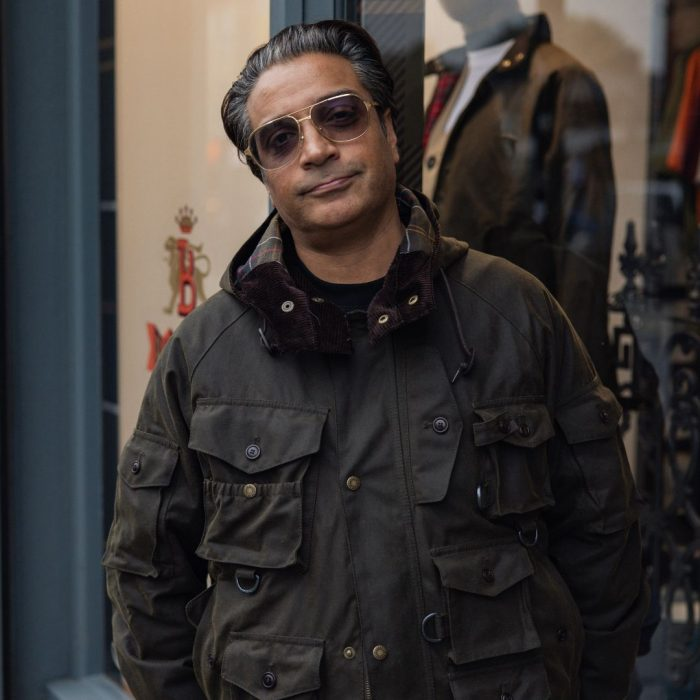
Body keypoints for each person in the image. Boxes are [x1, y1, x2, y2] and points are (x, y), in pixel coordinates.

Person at [103, 19, 648, 700]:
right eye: (280, 139)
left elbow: (603, 545)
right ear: (262, 172)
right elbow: (146, 585)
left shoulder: (514, 313)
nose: (316, 150)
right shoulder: (206, 352)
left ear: (389, 132)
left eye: (339, 115)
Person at [424, 0, 617, 389]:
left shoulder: (560, 80)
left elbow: (582, 253)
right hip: (439, 348)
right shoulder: (448, 76)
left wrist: (580, 387)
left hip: (512, 356)